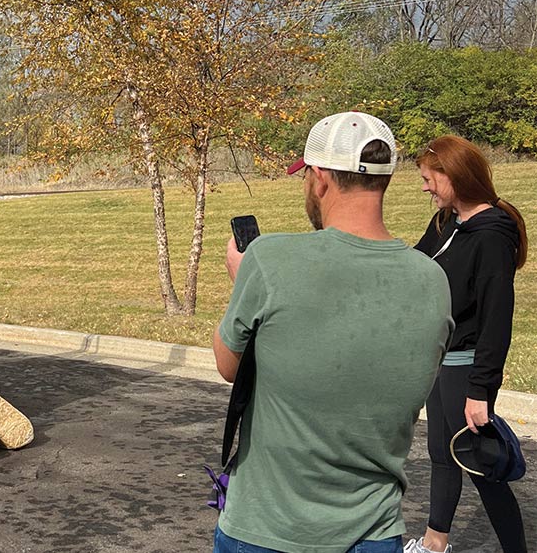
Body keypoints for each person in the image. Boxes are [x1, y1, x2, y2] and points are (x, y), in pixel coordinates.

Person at [212, 111, 454, 553]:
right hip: (375, 532)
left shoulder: (268, 260)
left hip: (266, 528)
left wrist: (242, 283)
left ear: (319, 177)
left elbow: (228, 366)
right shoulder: (433, 280)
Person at [405, 136, 529, 553]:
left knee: (479, 465)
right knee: (442, 454)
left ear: (453, 176)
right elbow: (416, 268)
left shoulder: (492, 234)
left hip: (467, 366)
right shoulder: (446, 222)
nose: (425, 188)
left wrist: (481, 391)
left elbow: (497, 319)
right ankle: (434, 544)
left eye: (429, 179)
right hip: (441, 362)